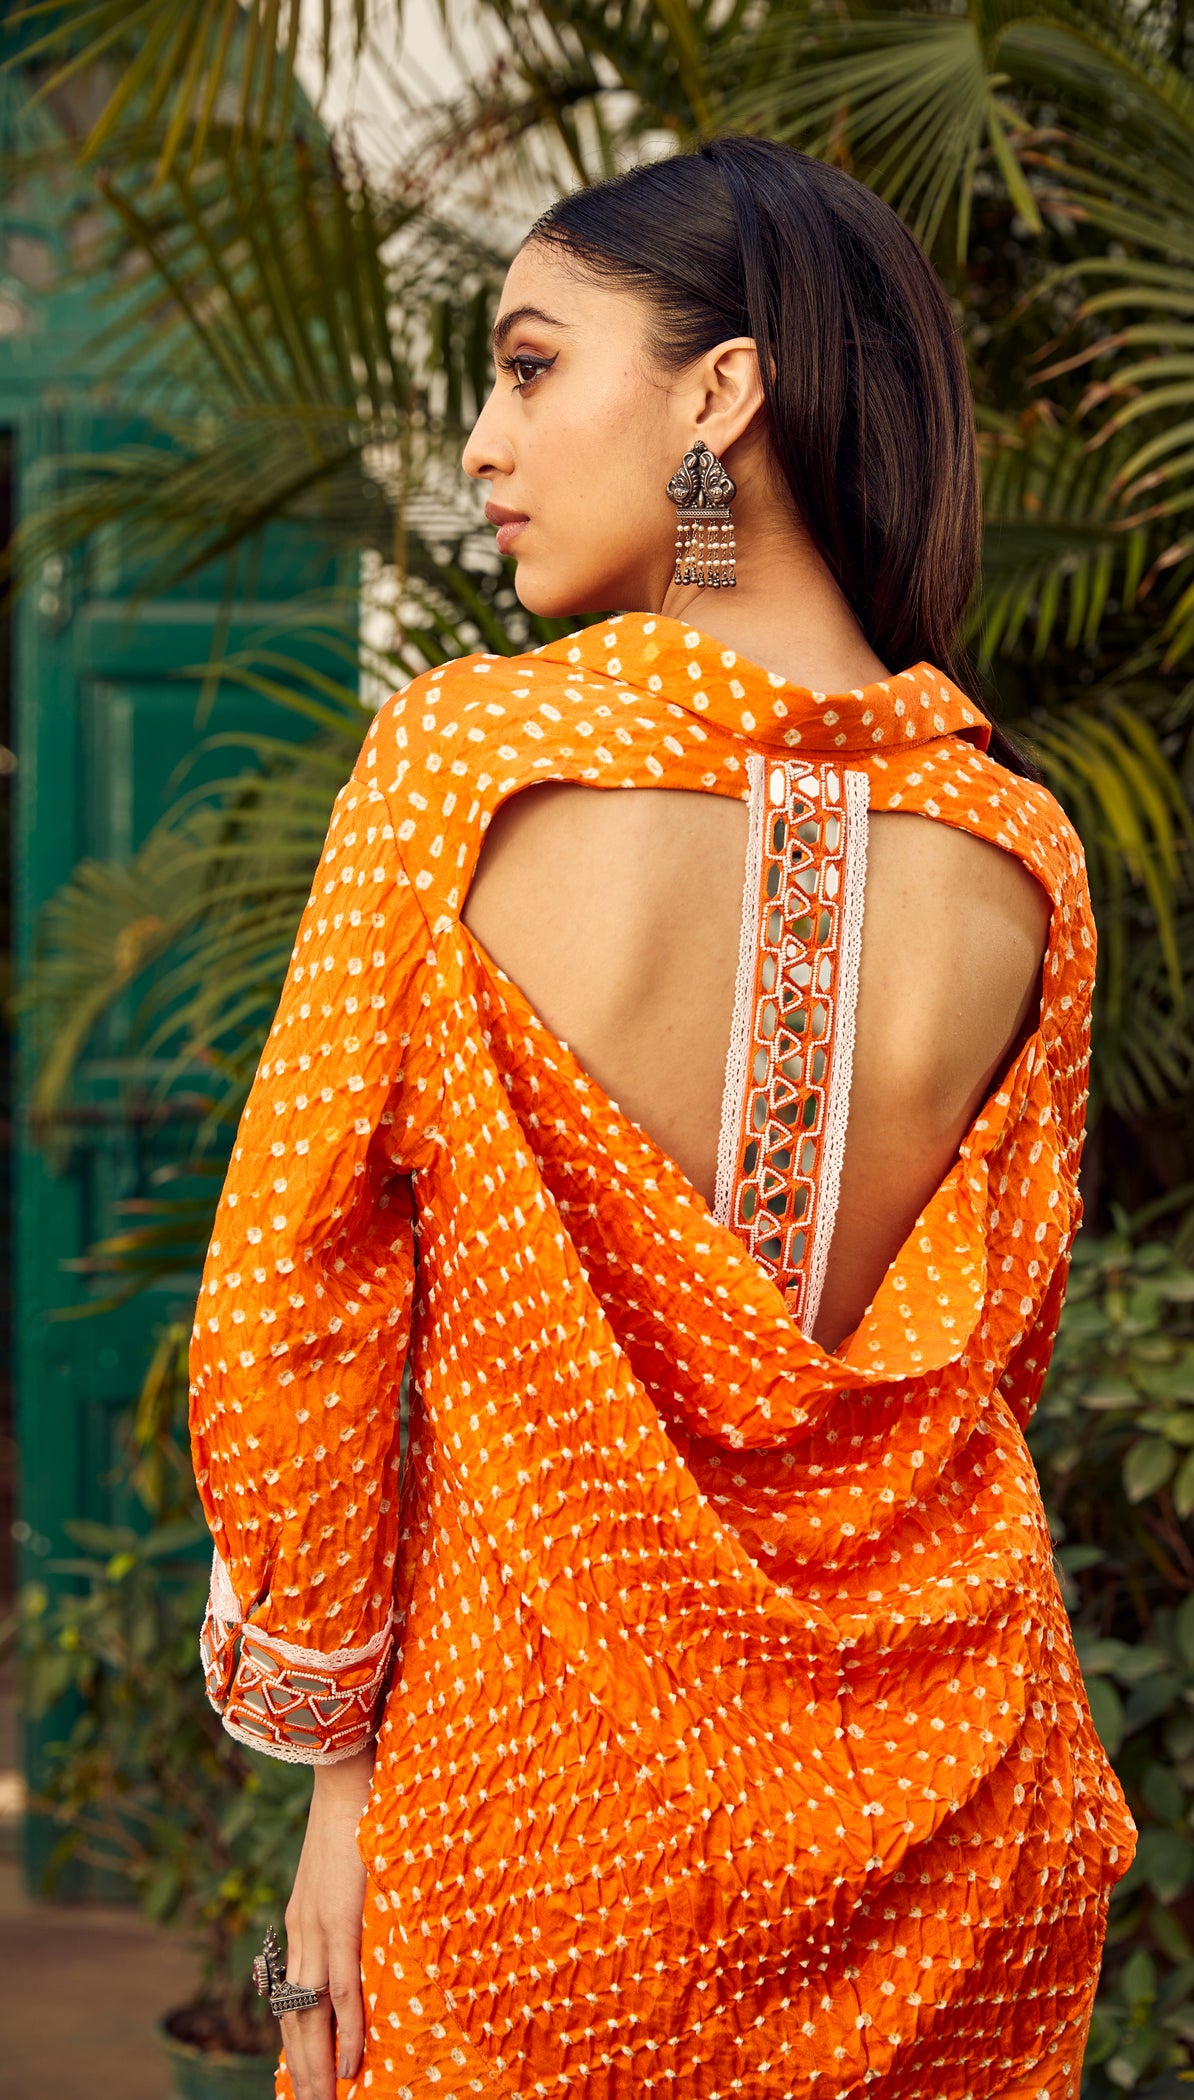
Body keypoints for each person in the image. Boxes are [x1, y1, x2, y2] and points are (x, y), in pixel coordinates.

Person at [190, 135, 1135, 2100]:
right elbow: (1002, 1358)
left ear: (723, 395)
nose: (482, 442)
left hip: (536, 1839)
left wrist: (336, 1784)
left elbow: (297, 1305)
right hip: (956, 1831)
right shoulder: (1023, 860)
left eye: (532, 366)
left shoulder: (466, 767)